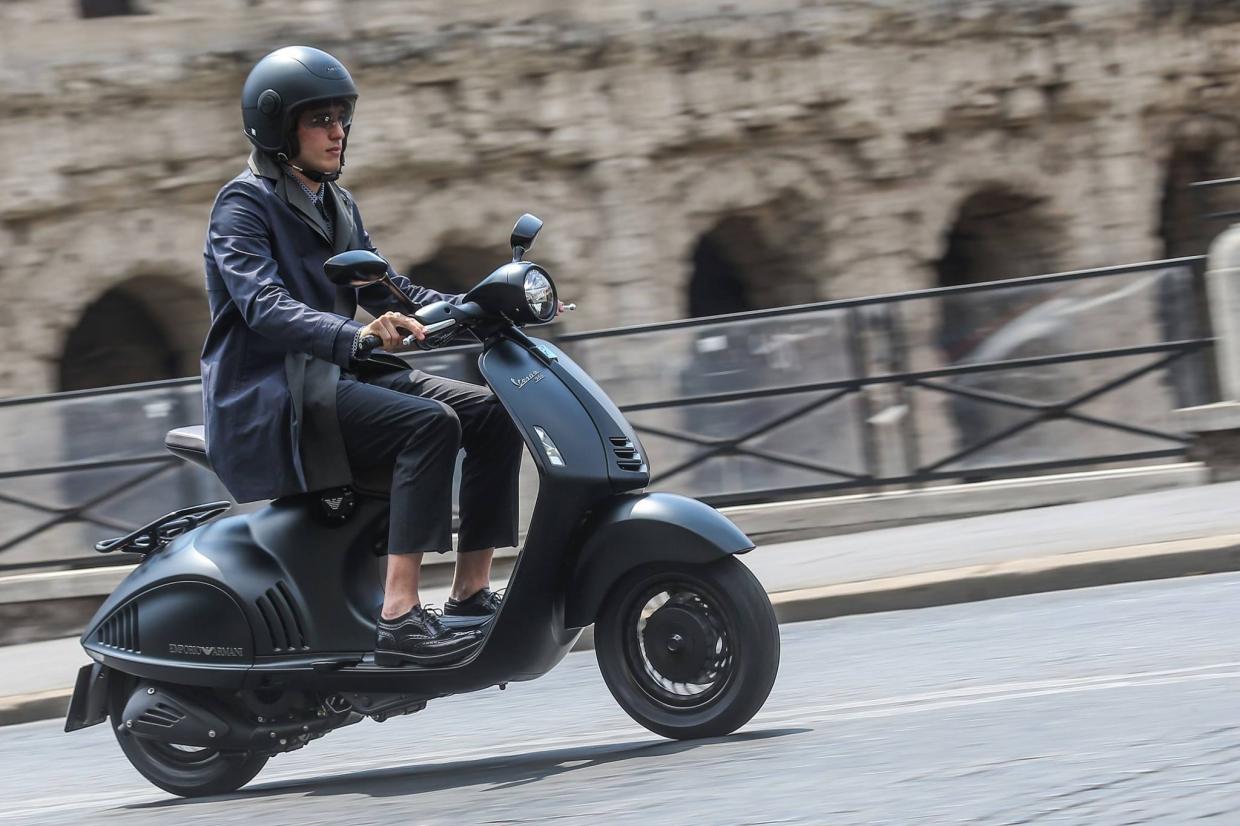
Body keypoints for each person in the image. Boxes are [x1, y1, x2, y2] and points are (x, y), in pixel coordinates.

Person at [202, 46, 543, 666]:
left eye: (341, 118)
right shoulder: (243, 206)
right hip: (273, 393)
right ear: (279, 129)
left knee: (494, 415)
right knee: (429, 424)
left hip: (331, 375)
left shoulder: (337, 204)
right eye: (319, 120)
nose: (337, 132)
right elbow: (265, 305)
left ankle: (469, 594)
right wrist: (356, 337)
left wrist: (484, 306)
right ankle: (400, 616)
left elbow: (392, 291)